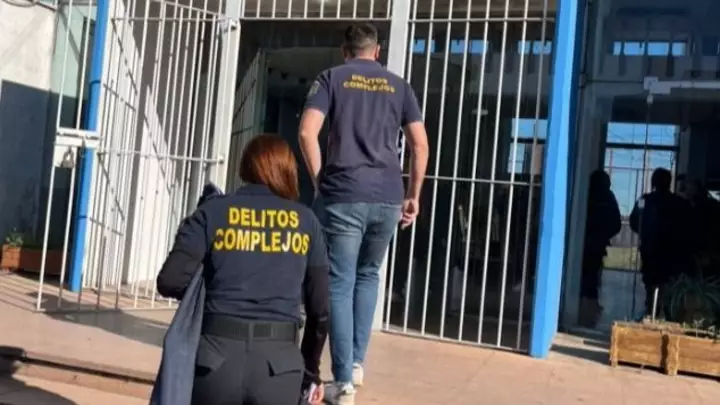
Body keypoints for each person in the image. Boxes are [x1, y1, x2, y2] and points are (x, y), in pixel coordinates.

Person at [298, 23, 429, 405]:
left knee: (340, 282)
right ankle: (356, 363)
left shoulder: (331, 78)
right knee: (369, 275)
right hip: (387, 196)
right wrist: (413, 195)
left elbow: (307, 132)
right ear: (377, 51)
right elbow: (420, 145)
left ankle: (343, 383)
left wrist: (320, 181)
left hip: (343, 193)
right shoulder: (399, 86)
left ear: (345, 51)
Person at [156, 134, 329, 405]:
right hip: (280, 368)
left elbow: (170, 280)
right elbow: (320, 309)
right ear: (289, 171)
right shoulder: (307, 221)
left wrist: (212, 288)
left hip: (214, 363)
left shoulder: (212, 212)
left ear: (245, 168)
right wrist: (310, 373)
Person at [630, 168, 691, 320]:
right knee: (669, 284)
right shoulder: (679, 203)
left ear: (654, 182)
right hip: (672, 252)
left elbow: (634, 221)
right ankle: (666, 313)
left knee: (651, 284)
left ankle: (651, 311)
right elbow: (688, 228)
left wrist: (644, 233)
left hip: (650, 249)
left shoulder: (645, 200)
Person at [580, 170, 621, 327]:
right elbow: (616, 223)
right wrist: (604, 234)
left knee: (584, 274)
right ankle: (590, 305)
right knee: (592, 275)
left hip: (583, 241)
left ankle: (584, 304)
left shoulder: (585, 194)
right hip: (597, 243)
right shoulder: (608, 197)